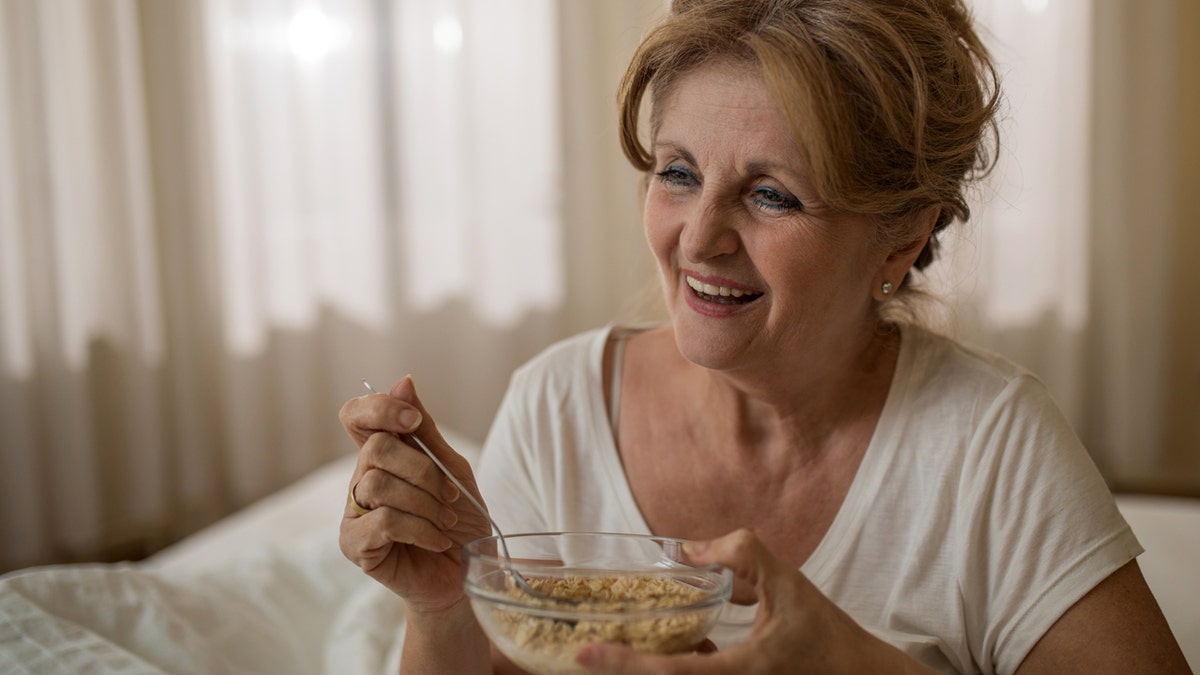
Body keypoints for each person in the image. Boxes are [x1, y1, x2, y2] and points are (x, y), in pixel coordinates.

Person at [337, 0, 1191, 672]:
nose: (698, 237)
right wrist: (445, 608)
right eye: (678, 172)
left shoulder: (989, 444)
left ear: (899, 235)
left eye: (771, 194)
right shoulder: (557, 406)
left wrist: (861, 669)